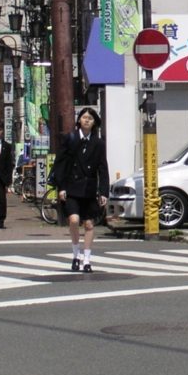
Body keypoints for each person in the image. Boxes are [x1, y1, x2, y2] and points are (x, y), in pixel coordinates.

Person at [53, 107, 109, 272]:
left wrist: (104, 192)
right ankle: (75, 255)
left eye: (90, 119)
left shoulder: (98, 143)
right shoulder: (70, 139)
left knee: (90, 224)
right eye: (84, 117)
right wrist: (61, 187)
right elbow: (60, 164)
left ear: (94, 123)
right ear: (79, 120)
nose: (86, 120)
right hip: (71, 187)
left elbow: (102, 168)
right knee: (74, 221)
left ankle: (87, 260)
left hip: (89, 189)